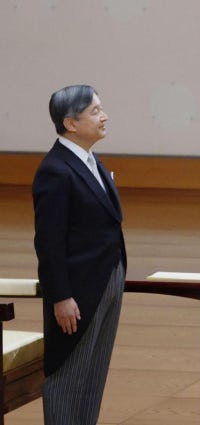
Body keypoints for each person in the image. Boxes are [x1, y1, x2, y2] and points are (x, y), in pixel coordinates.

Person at [33, 85, 126, 425]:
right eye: (95, 111)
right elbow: (49, 241)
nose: (104, 116)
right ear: (71, 123)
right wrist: (61, 297)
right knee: (69, 377)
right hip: (78, 292)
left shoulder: (90, 161)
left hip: (106, 280)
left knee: (93, 376)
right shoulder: (55, 170)